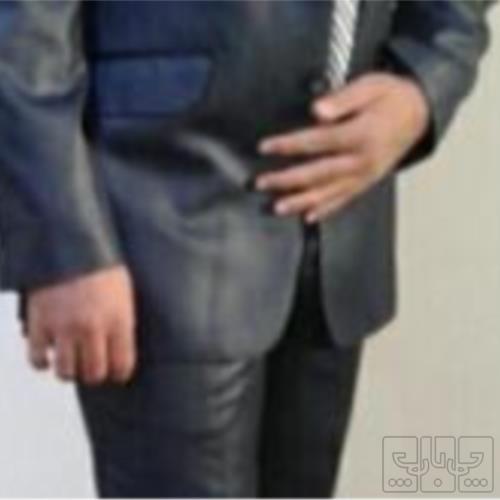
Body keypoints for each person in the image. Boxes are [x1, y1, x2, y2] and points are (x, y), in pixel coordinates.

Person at [0, 1, 494, 497]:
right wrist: (65, 243)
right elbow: (20, 26)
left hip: (336, 231)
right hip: (158, 218)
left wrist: (425, 83)